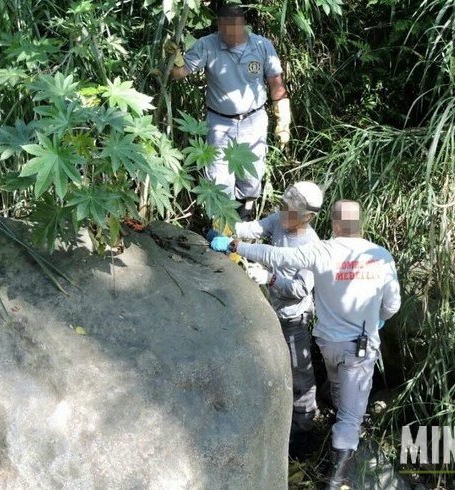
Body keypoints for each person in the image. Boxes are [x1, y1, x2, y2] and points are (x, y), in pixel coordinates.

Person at [210, 200, 401, 489]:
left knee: (338, 384)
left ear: (335, 224)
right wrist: (378, 320)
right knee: (351, 417)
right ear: (360, 223)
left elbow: (273, 255)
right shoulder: (381, 255)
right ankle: (334, 481)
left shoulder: (321, 250)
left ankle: (336, 417)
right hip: (360, 348)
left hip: (328, 344)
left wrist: (234, 246)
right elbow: (392, 305)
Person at [217, 181, 323, 457]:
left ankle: (304, 425)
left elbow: (302, 288)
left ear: (308, 217)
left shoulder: (311, 245)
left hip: (294, 316)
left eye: (290, 211)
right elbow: (254, 230)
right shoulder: (279, 220)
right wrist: (226, 228)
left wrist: (271, 278)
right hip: (270, 307)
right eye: (282, 206)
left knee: (299, 370)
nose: (283, 213)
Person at [167, 2, 291, 221]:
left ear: (244, 25)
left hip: (254, 121)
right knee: (218, 177)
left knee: (252, 174)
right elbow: (179, 73)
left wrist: (283, 123)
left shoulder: (262, 46)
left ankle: (246, 215)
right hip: (219, 122)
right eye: (227, 34)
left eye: (237, 32)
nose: (233, 38)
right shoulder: (207, 45)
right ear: (218, 28)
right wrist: (172, 57)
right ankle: (221, 224)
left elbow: (276, 85)